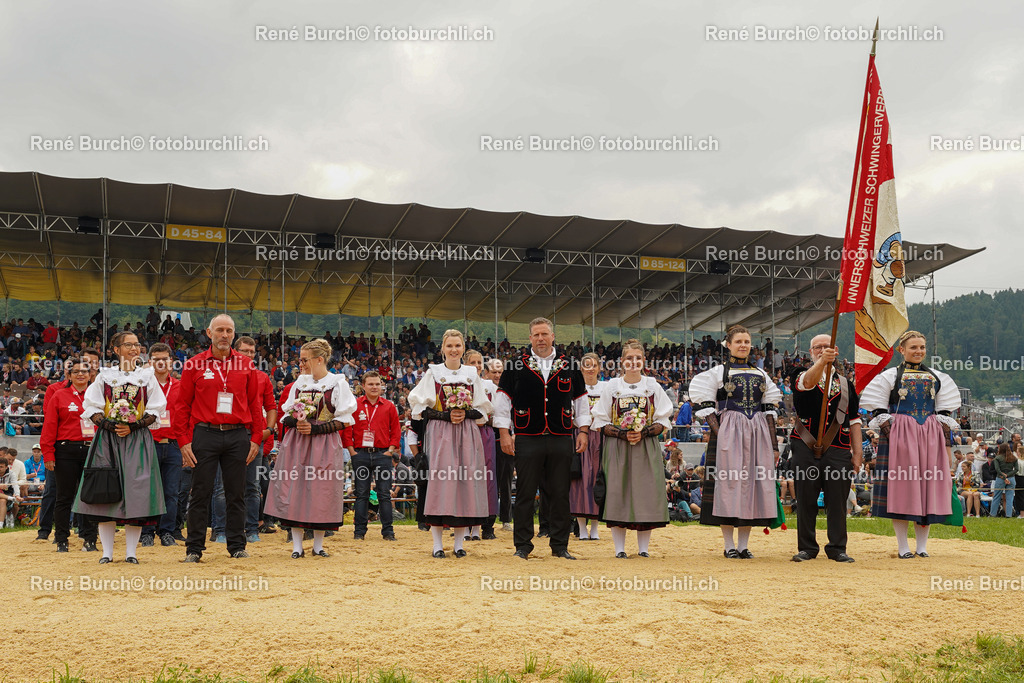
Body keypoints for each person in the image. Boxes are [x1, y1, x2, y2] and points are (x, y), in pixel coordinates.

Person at [494, 318, 590, 560]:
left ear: (553, 336)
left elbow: (580, 401)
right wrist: (504, 433)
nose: (540, 338)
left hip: (561, 436)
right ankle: (523, 546)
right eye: (536, 334)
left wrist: (584, 431)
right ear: (530, 338)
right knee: (525, 493)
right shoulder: (515, 365)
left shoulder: (570, 364)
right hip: (527, 436)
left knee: (560, 494)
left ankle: (560, 546)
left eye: (544, 334)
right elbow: (503, 402)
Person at [862, 331, 961, 559]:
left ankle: (923, 546)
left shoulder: (937, 376)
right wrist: (893, 434)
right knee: (903, 489)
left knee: (928, 490)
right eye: (914, 347)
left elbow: (944, 413)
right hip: (901, 435)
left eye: (922, 347)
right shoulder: (890, 376)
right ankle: (903, 546)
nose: (918, 351)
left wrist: (945, 445)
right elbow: (878, 410)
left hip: (930, 434)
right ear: (901, 350)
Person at [175, 315, 265, 563]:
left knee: (236, 493)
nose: (224, 335)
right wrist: (183, 440)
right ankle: (194, 548)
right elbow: (182, 405)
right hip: (205, 433)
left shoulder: (247, 365)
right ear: (209, 333)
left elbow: (255, 405)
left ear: (234, 334)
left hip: (237, 435)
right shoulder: (194, 365)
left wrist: (256, 438)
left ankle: (237, 545)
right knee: (200, 492)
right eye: (220, 330)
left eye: (229, 331)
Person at [73, 332, 166, 564]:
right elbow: (91, 406)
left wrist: (133, 427)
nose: (134, 349)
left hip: (137, 440)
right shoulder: (105, 376)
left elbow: (156, 408)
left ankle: (131, 552)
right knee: (106, 492)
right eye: (128, 345)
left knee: (136, 492)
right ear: (116, 350)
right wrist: (108, 424)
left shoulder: (148, 376)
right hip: (108, 440)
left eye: (137, 345)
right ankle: (107, 552)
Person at [690, 325, 781, 559]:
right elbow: (706, 407)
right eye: (738, 341)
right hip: (728, 434)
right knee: (728, 487)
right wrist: (722, 436)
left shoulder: (762, 375)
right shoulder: (717, 373)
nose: (743, 345)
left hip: (756, 434)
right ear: (728, 345)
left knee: (751, 488)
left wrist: (773, 446)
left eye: (747, 342)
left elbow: (769, 411)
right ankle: (729, 545)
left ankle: (743, 545)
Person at [268, 339, 356, 558]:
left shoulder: (337, 383)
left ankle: (318, 545)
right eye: (300, 359)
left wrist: (316, 429)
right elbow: (285, 415)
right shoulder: (299, 384)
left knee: (321, 491)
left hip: (324, 444)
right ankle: (297, 546)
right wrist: (296, 423)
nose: (301, 364)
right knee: (295, 490)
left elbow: (346, 420)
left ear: (320, 360)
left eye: (305, 360)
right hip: (297, 443)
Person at [409, 329, 493, 558]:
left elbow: (482, 408)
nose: (454, 350)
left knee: (464, 484)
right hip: (440, 434)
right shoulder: (433, 373)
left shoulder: (471, 373)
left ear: (463, 348)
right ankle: (437, 544)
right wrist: (446, 415)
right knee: (440, 484)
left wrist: (464, 414)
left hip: (466, 434)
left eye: (457, 346)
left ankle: (459, 544)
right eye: (449, 346)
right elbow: (420, 410)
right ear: (442, 349)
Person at [590, 340, 672, 558]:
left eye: (637, 358)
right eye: (629, 358)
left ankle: (643, 549)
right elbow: (600, 420)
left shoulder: (653, 386)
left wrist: (644, 432)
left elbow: (663, 419)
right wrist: (622, 433)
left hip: (646, 447)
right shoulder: (612, 387)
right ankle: (620, 549)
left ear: (643, 361)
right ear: (622, 361)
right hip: (618, 447)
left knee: (644, 493)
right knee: (619, 492)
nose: (633, 362)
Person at [788, 335, 862, 563]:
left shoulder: (846, 383)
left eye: (826, 347)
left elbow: (854, 419)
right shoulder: (799, 373)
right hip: (804, 444)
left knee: (837, 500)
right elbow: (808, 384)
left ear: (836, 350)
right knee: (806, 498)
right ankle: (807, 548)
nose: (821, 350)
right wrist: (822, 362)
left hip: (838, 446)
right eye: (817, 348)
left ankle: (837, 547)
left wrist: (857, 452)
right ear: (810, 352)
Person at [343, 370, 400, 542]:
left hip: (382, 454)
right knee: (362, 494)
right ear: (363, 386)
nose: (375, 387)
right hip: (360, 454)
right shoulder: (354, 405)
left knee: (384, 493)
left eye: (377, 384)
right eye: (371, 384)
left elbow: (396, 430)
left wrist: (390, 451)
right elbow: (347, 430)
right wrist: (352, 452)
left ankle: (388, 532)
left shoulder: (389, 406)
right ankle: (359, 532)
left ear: (382, 386)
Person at [140, 343, 183, 547]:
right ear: (150, 362)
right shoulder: (142, 386)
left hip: (174, 445)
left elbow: (186, 417)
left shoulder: (181, 386)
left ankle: (167, 531)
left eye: (164, 358)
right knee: (148, 490)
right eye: (156, 359)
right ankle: (147, 531)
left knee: (171, 492)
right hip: (149, 443)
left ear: (171, 362)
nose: (160, 362)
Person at [570, 352, 605, 541]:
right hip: (580, 436)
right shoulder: (575, 388)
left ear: (599, 368)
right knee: (579, 481)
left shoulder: (606, 388)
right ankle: (581, 527)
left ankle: (596, 527)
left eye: (594, 365)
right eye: (587, 365)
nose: (590, 368)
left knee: (597, 481)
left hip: (600, 438)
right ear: (581, 368)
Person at [464, 350, 498, 541]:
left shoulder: (489, 386)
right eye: (472, 362)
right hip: (464, 433)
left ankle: (484, 525)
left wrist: (487, 420)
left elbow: (499, 412)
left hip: (484, 433)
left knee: (485, 477)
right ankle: (464, 522)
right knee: (464, 476)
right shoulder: (459, 383)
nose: (476, 366)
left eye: (479, 363)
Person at [989, 443, 1016, 518]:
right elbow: (1016, 469)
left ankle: (993, 514)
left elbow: (997, 469)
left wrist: (1004, 477)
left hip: (1000, 478)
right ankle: (1009, 514)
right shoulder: (1013, 458)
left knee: (996, 496)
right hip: (1011, 478)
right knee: (1009, 498)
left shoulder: (997, 458)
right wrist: (1008, 475)